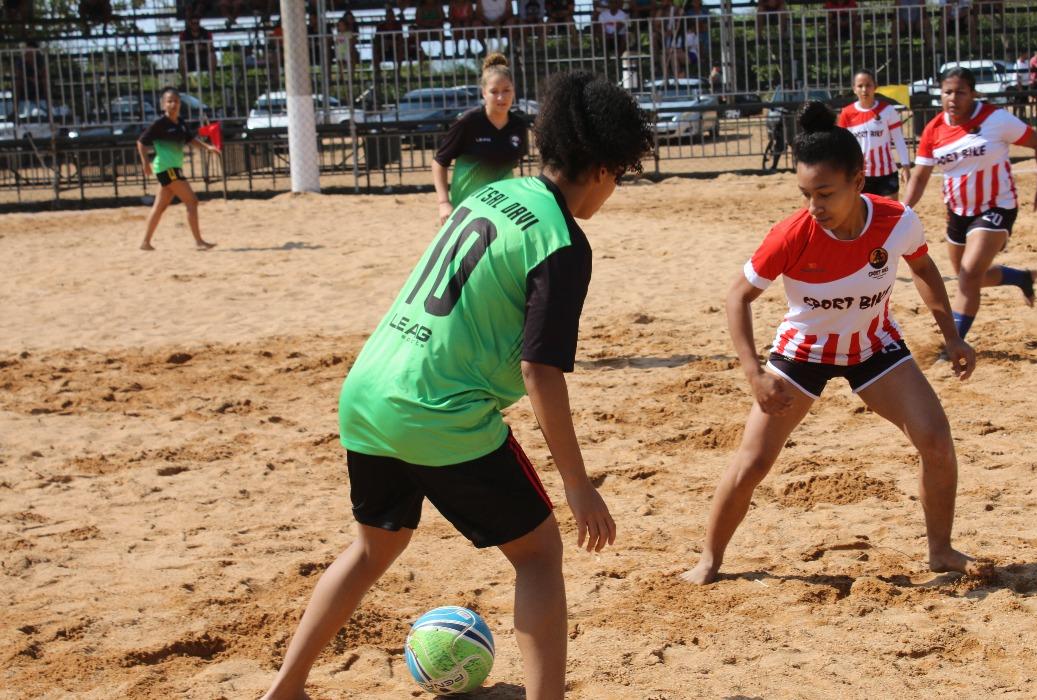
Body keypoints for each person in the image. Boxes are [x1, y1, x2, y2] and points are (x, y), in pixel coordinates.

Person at [260, 70, 653, 700]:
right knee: (539, 554)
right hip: (438, 410)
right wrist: (578, 487)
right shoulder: (561, 239)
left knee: (371, 547)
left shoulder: (491, 195)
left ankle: (286, 688)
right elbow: (539, 369)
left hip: (368, 390)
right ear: (606, 167)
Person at [680, 101, 987, 587]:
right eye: (805, 194)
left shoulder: (897, 220)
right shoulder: (792, 234)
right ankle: (709, 560)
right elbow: (737, 298)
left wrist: (952, 336)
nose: (814, 207)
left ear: (858, 182)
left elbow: (925, 269)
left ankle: (941, 550)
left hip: (873, 348)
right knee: (755, 460)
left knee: (935, 440)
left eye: (824, 193)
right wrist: (755, 373)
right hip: (802, 353)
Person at [903, 67, 1037, 341]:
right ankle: (1021, 278)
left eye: (960, 92)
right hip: (957, 212)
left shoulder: (995, 118)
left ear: (972, 94)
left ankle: (953, 345)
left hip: (997, 207)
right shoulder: (933, 129)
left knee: (969, 275)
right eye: (947, 92)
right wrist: (903, 209)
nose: (953, 98)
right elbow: (920, 176)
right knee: (968, 276)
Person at [432, 53, 529, 224]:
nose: (501, 97)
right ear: (484, 93)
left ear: (514, 90)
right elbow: (439, 162)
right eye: (494, 92)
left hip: (503, 210)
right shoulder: (468, 122)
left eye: (506, 90)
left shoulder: (518, 126)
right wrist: (444, 202)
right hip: (468, 208)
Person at [136, 87, 220, 251]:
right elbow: (141, 142)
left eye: (176, 101)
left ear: (180, 104)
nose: (173, 104)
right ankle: (198, 241)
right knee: (192, 201)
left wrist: (207, 147)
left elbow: (190, 139)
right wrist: (145, 163)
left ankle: (145, 242)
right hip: (167, 169)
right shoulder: (160, 124)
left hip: (172, 168)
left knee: (159, 207)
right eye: (169, 101)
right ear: (163, 105)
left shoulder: (180, 123)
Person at [837, 69, 911, 197]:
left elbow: (899, 139)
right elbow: (841, 145)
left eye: (868, 85)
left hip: (887, 173)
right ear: (854, 89)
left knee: (889, 212)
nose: (864, 89)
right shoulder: (847, 113)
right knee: (863, 215)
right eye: (860, 86)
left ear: (875, 87)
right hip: (860, 175)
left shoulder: (887, 110)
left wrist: (906, 166)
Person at [179, 15, 217, 90]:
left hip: (204, 57)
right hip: (190, 58)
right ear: (189, 23)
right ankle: (184, 83)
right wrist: (192, 50)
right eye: (193, 23)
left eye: (197, 23)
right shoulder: (184, 34)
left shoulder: (206, 33)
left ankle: (212, 82)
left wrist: (203, 48)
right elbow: (182, 50)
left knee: (213, 56)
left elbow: (212, 48)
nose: (195, 25)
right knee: (181, 58)